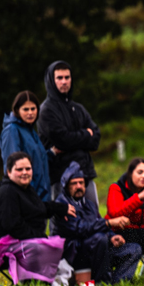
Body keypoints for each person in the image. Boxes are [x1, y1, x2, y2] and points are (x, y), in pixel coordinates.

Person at [0, 152, 76, 285]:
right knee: (40, 248)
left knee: (53, 245)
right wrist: (39, 237)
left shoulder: (25, 189)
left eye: (28, 169)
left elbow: (37, 208)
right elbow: (12, 225)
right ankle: (36, 285)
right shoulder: (7, 192)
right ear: (9, 172)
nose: (25, 172)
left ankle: (56, 282)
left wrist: (61, 208)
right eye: (19, 169)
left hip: (14, 242)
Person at [53, 163, 142, 286]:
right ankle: (101, 282)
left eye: (81, 183)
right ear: (67, 185)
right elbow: (80, 229)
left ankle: (116, 283)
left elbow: (98, 222)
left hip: (98, 249)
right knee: (99, 239)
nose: (78, 186)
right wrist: (108, 223)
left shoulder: (89, 204)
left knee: (133, 249)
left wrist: (112, 236)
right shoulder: (63, 204)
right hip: (76, 252)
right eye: (74, 183)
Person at [37, 60, 101, 204]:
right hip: (60, 176)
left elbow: (96, 139)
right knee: (63, 223)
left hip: (85, 173)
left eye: (67, 77)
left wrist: (77, 138)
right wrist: (86, 134)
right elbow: (63, 140)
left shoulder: (78, 109)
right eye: (59, 78)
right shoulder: (46, 111)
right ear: (51, 81)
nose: (64, 81)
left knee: (94, 219)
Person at [0, 91, 50, 200]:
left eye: (33, 108)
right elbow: (13, 167)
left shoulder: (31, 131)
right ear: (17, 110)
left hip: (40, 197)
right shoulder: (12, 130)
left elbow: (37, 159)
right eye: (25, 109)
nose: (30, 113)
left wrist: (53, 153)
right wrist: (25, 197)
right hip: (26, 199)